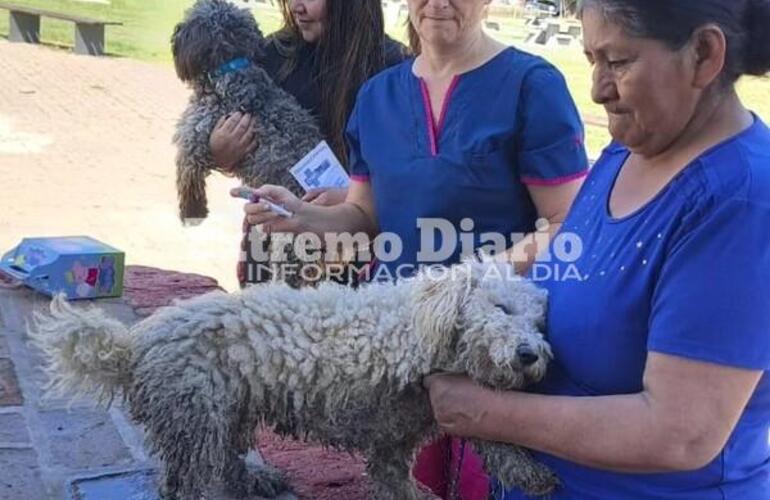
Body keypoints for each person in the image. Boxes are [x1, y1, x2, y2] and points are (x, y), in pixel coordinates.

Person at [238, 0, 589, 496]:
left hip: (491, 349)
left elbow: (566, 223)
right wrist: (301, 217)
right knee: (407, 480)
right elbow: (364, 217)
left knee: (484, 484)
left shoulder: (532, 86)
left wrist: (470, 277)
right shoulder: (378, 96)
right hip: (399, 345)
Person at [421, 0, 770, 498]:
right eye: (591, 60)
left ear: (704, 54)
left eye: (619, 62)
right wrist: (467, 279)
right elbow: (577, 245)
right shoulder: (631, 148)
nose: (597, 89)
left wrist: (484, 413)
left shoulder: (743, 199)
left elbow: (679, 432)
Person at [209, 0, 406, 285]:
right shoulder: (273, 56)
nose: (296, 7)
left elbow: (411, 174)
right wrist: (221, 151)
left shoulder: (395, 69)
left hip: (353, 258)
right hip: (270, 251)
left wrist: (355, 200)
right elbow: (232, 135)